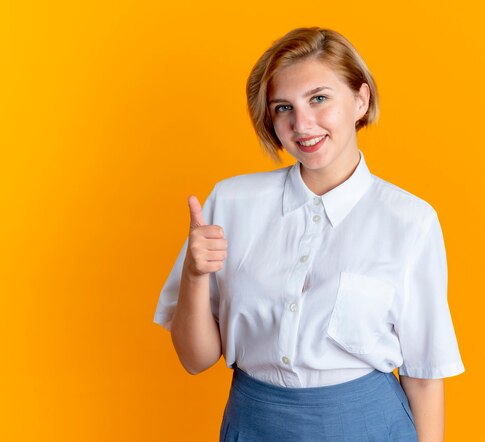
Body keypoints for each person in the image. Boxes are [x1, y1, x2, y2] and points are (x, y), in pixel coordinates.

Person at [153, 26, 465, 441]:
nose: (302, 124)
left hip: (368, 426)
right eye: (283, 107)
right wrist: (194, 274)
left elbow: (424, 378)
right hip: (254, 424)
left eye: (319, 98)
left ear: (360, 99)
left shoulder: (410, 221)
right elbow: (195, 360)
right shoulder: (230, 203)